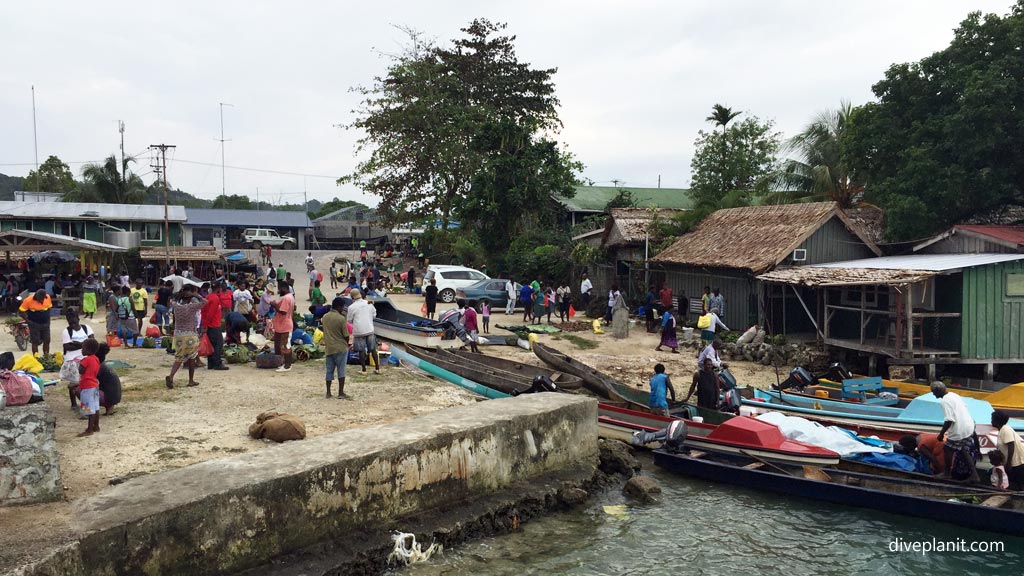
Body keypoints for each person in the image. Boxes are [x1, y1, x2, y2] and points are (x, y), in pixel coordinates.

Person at [933, 381, 980, 483]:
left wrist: (941, 434)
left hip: (960, 430)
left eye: (933, 392)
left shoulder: (944, 401)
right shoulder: (954, 395)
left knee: (947, 448)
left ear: (937, 391)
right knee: (963, 450)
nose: (933, 394)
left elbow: (949, 420)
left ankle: (947, 473)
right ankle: (974, 475)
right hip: (969, 426)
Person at [61, 308, 94, 409]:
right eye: (70, 322)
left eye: (74, 322)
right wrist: (84, 344)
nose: (72, 325)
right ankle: (74, 404)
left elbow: (92, 342)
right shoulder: (66, 331)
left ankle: (86, 404)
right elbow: (67, 347)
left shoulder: (86, 328)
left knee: (86, 381)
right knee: (74, 382)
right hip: (73, 360)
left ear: (78, 319)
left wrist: (77, 344)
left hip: (86, 359)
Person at [322, 296, 352, 399]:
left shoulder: (325, 317)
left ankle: (328, 392)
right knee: (341, 370)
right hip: (340, 347)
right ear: (339, 306)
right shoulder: (341, 319)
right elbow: (346, 335)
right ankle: (340, 392)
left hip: (329, 347)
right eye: (342, 307)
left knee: (329, 370)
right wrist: (347, 344)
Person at [347, 289, 379, 374]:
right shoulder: (368, 303)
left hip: (359, 331)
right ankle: (377, 368)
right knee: (373, 349)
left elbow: (349, 320)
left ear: (352, 297)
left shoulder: (351, 307)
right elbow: (374, 315)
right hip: (370, 329)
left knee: (361, 350)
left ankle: (364, 369)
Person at [992, 409, 1024, 489]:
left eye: (992, 419)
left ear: (997, 420)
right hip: (1011, 463)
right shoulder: (1001, 431)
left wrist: (1009, 463)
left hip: (1016, 463)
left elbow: (1011, 445)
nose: (991, 421)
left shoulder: (1005, 429)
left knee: (1019, 484)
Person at [76, 337, 102, 437]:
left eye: (83, 348)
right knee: (95, 407)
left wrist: (80, 363)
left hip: (87, 386)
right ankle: (96, 426)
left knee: (88, 408)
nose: (81, 350)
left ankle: (89, 429)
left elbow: (81, 371)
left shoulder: (86, 360)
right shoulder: (96, 358)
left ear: (88, 350)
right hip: (94, 385)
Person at [202, 283, 228, 371]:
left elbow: (205, 311)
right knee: (218, 344)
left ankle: (211, 363)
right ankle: (217, 363)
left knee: (211, 344)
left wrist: (204, 324)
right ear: (218, 288)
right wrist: (206, 324)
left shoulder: (208, 297)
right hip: (214, 324)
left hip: (210, 324)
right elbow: (211, 313)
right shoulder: (215, 298)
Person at [270, 283, 296, 372]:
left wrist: (274, 305)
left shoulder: (286, 298)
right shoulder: (290, 296)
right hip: (281, 325)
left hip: (285, 325)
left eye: (279, 288)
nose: (278, 291)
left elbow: (283, 311)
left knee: (286, 345)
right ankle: (284, 363)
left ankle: (287, 365)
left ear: (283, 288)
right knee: (280, 344)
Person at [19, 289, 52, 355]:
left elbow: (49, 308)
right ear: (36, 296)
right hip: (34, 324)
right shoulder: (28, 300)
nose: (42, 301)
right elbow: (21, 312)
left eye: (43, 299)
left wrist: (48, 319)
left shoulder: (47, 297)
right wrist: (28, 321)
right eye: (40, 299)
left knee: (47, 340)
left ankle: (46, 357)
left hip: (45, 324)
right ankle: (36, 358)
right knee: (35, 342)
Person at [95, 342, 121, 416]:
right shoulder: (104, 366)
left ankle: (87, 412)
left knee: (80, 390)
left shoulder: (98, 366)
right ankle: (109, 407)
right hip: (115, 396)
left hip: (109, 396)